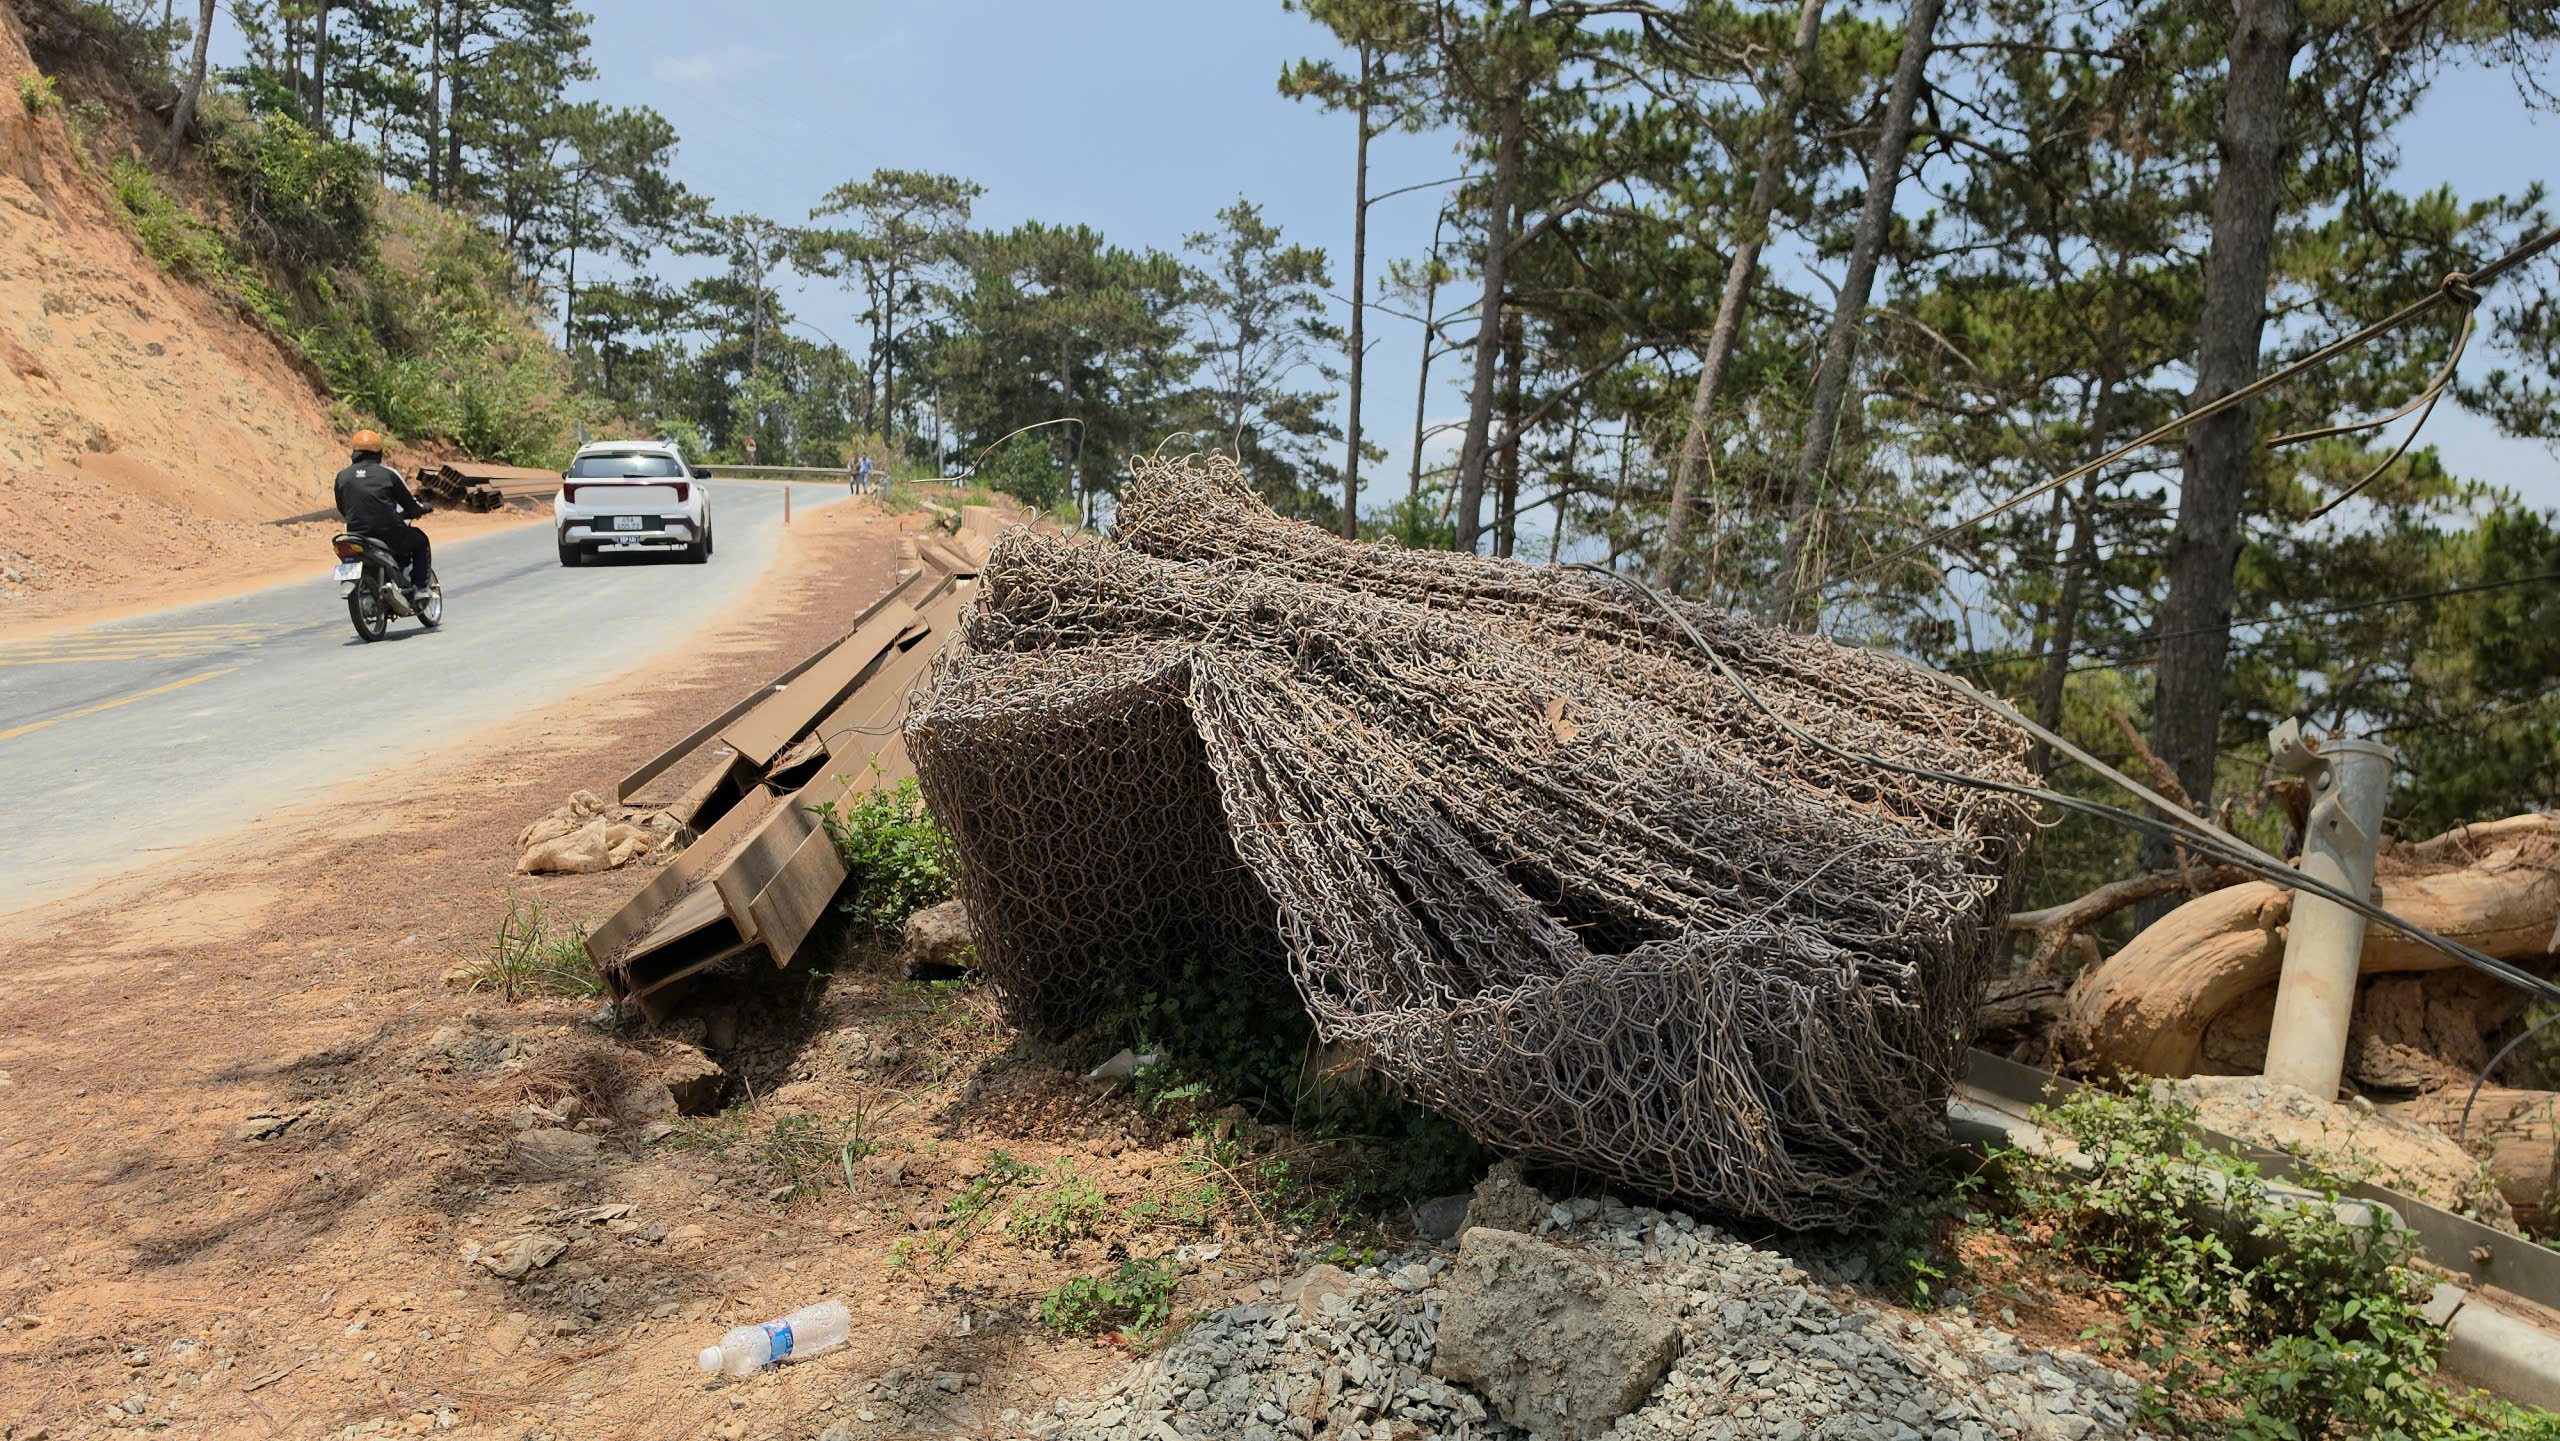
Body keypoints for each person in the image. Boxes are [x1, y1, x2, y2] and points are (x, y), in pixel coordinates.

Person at [333, 428, 433, 598]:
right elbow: (409, 503)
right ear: (379, 452)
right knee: (420, 541)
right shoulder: (388, 474)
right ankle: (421, 589)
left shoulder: (342, 476)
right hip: (389, 534)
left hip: (356, 535)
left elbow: (342, 507)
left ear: (354, 452)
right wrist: (421, 509)